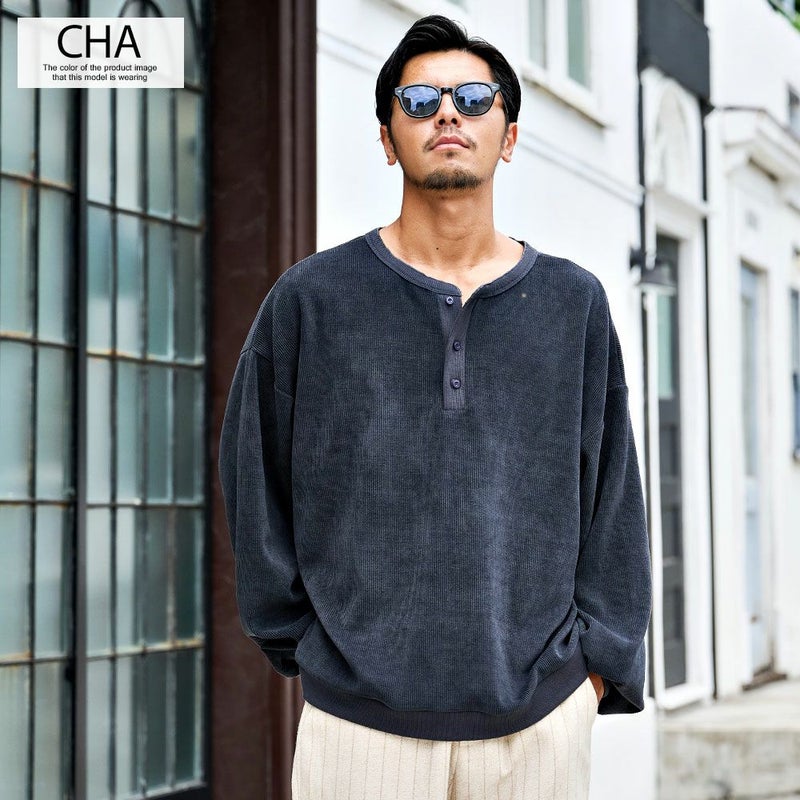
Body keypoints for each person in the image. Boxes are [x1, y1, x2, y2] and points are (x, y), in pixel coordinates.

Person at [219, 14, 652, 800]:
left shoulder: (573, 304)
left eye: (473, 98)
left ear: (508, 137)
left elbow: (614, 496)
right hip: (358, 730)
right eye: (418, 101)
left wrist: (595, 670)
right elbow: (255, 481)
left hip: (539, 725)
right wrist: (304, 645)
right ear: (388, 139)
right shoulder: (311, 301)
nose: (447, 113)